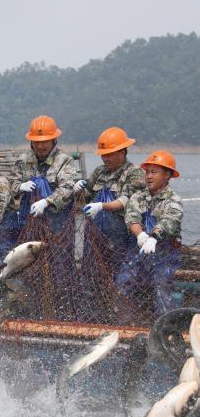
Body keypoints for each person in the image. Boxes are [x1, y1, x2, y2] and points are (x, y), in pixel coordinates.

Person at [116, 150, 183, 316]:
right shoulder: (138, 197)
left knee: (161, 285)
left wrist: (153, 238)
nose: (149, 176)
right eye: (147, 172)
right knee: (123, 281)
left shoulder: (173, 200)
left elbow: (169, 221)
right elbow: (132, 217)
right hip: (137, 255)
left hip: (165, 256)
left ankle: (167, 327)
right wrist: (140, 235)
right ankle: (127, 325)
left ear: (167, 175)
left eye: (154, 172)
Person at [78, 127, 144, 258]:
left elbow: (126, 201)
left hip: (121, 236)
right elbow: (85, 196)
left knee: (117, 271)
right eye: (103, 155)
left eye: (109, 155)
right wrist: (78, 189)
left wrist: (101, 206)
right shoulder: (99, 171)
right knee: (91, 270)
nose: (105, 159)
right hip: (94, 235)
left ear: (122, 152)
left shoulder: (134, 172)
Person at [11, 115, 78, 235]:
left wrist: (47, 202)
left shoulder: (64, 160)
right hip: (29, 222)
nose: (40, 146)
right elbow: (11, 186)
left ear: (53, 140)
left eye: (44, 142)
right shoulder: (23, 160)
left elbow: (67, 188)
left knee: (58, 252)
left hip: (58, 224)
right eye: (37, 142)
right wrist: (20, 187)